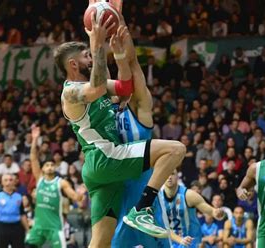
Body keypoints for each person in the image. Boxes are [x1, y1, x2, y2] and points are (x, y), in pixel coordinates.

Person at [54, 5, 186, 248]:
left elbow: (125, 88)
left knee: (100, 243)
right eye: (86, 56)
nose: (91, 57)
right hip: (106, 156)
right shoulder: (70, 93)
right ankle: (143, 209)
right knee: (175, 149)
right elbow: (94, 88)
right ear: (73, 65)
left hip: (100, 168)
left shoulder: (97, 83)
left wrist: (121, 57)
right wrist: (97, 43)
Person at [111, 3, 190, 246]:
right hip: (117, 198)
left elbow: (133, 64)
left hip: (145, 201)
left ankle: (143, 210)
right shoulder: (103, 110)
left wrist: (119, 20)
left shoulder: (141, 108)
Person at [25, 126, 86, 248]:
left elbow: (75, 197)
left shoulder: (61, 182)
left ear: (55, 168)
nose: (49, 167)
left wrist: (80, 194)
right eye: (47, 165)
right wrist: (35, 139)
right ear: (42, 169)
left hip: (55, 226)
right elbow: (33, 158)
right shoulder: (40, 179)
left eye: (52, 165)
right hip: (39, 226)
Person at [154, 170, 225, 247]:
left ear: (177, 176)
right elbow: (159, 226)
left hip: (190, 242)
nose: (169, 177)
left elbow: (211, 210)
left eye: (172, 174)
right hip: (168, 242)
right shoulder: (157, 198)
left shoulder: (189, 195)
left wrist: (216, 212)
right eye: (166, 173)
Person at [0, 173, 29, 248]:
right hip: (2, 227)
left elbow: (22, 214)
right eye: (5, 180)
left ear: (14, 182)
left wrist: (28, 230)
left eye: (11, 180)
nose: (8, 182)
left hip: (17, 227)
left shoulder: (18, 196)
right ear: (2, 182)